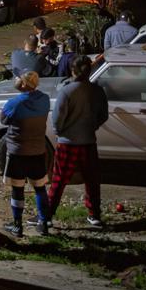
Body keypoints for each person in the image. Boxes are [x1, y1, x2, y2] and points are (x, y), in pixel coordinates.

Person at [47, 56, 110, 227]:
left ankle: (47, 215)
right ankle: (94, 214)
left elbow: (57, 119)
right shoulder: (97, 91)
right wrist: (93, 126)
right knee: (92, 180)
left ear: (72, 70)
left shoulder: (67, 91)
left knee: (59, 180)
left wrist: (60, 132)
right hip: (88, 141)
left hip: (68, 142)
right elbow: (103, 115)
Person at [0, 70, 51, 236]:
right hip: (38, 150)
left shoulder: (13, 103)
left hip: (18, 151)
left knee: (17, 188)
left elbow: (3, 120)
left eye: (18, 78)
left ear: (23, 84)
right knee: (40, 187)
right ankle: (43, 223)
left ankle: (17, 225)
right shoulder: (45, 99)